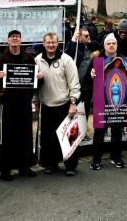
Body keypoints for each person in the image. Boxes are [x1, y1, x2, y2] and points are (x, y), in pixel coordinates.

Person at [0, 30, 42, 181]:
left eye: (17, 37)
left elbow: (35, 80)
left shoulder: (28, 58)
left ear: (21, 40)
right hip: (7, 103)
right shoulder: (1, 58)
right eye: (12, 37)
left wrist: (38, 77)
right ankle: (5, 169)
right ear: (7, 40)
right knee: (7, 136)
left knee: (25, 135)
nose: (15, 39)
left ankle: (24, 166)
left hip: (24, 102)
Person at [87, 34, 127, 169]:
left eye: (114, 43)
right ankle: (96, 159)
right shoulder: (97, 60)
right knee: (99, 131)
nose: (111, 45)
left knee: (117, 131)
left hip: (120, 102)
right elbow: (87, 81)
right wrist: (91, 75)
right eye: (108, 43)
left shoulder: (126, 60)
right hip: (102, 102)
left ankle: (116, 157)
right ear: (104, 46)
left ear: (117, 45)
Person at [34, 32, 81, 176]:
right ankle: (51, 164)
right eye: (48, 42)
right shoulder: (37, 60)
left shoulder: (66, 59)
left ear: (57, 43)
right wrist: (36, 100)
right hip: (46, 104)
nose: (51, 45)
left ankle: (71, 166)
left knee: (69, 137)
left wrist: (73, 102)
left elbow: (74, 83)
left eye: (53, 42)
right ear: (43, 44)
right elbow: (35, 84)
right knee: (50, 139)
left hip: (64, 104)